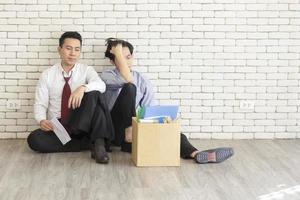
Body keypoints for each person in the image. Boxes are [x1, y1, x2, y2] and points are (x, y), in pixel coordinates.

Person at [101, 38, 234, 164]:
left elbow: (149, 111)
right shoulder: (107, 76)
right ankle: (130, 137)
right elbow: (128, 80)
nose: (126, 62)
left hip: (135, 130)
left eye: (128, 57)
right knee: (129, 88)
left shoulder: (142, 79)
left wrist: (160, 125)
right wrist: (116, 52)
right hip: (114, 130)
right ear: (113, 61)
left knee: (174, 133)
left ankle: (196, 154)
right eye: (120, 58)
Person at [27, 32, 114, 164]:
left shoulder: (86, 70)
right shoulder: (47, 75)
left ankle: (97, 145)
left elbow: (101, 85)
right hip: (59, 126)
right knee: (34, 140)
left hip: (81, 122)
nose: (72, 53)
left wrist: (83, 87)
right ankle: (93, 142)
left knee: (95, 93)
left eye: (77, 49)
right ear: (59, 50)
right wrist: (41, 120)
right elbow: (40, 103)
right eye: (68, 48)